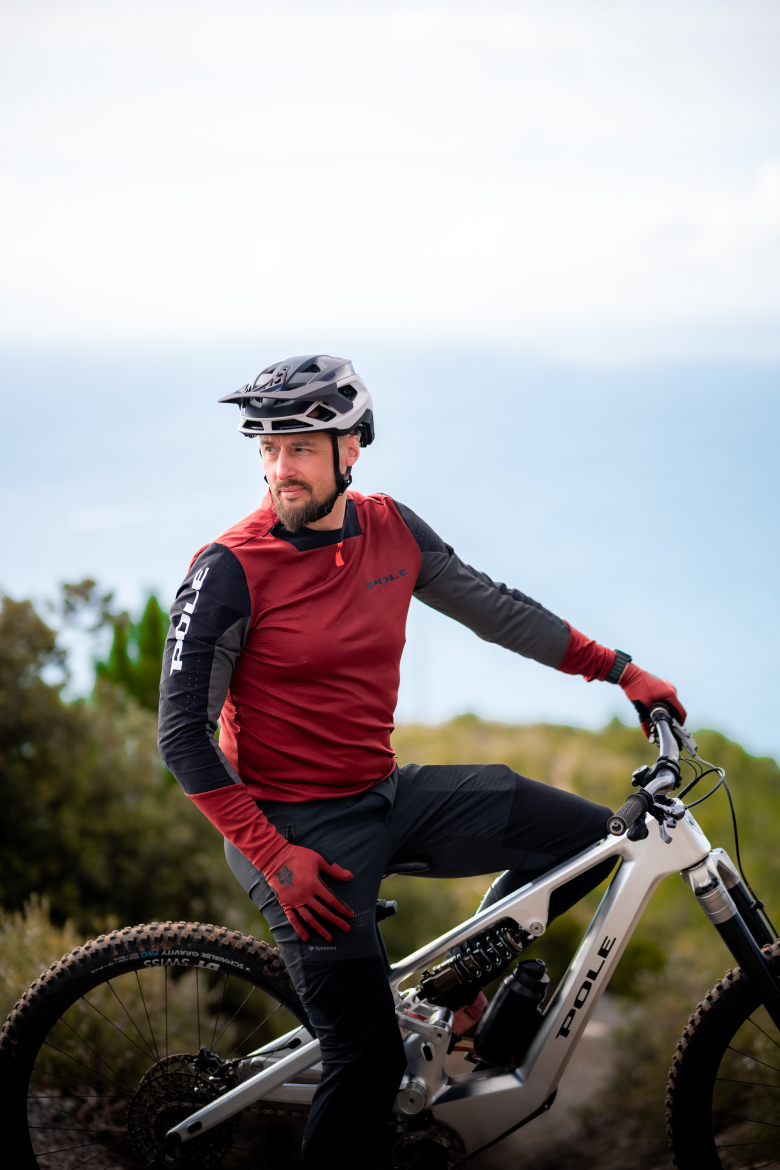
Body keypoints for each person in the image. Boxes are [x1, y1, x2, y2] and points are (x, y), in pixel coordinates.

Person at [158, 354, 685, 1170]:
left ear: (351, 448)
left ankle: (453, 987)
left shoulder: (392, 528)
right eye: (265, 448)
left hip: (382, 792)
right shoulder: (229, 569)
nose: (277, 468)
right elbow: (181, 738)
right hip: (293, 834)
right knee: (365, 1063)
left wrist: (619, 669)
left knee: (593, 842)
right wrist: (272, 857)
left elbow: (497, 609)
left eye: (298, 447)